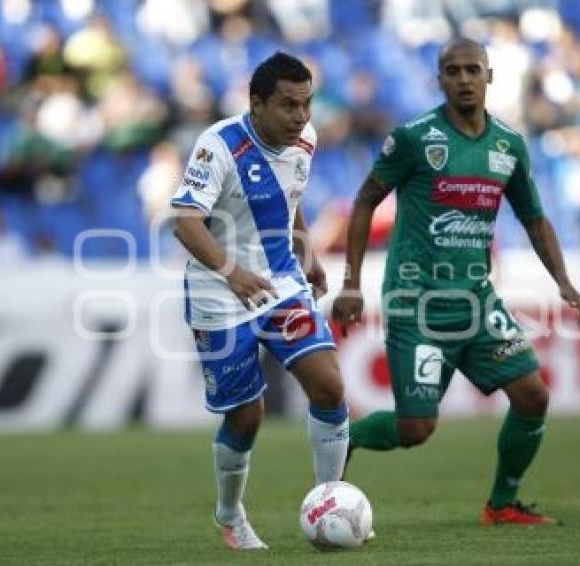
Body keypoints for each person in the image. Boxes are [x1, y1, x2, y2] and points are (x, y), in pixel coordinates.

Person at [332, 38, 580, 525]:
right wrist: (350, 283)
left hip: (475, 300)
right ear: (440, 80)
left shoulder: (508, 145)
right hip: (417, 303)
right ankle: (345, 437)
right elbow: (365, 201)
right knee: (416, 429)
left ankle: (502, 504)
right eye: (453, 71)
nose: (464, 79)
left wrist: (563, 281)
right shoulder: (413, 139)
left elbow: (535, 219)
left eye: (473, 69)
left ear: (489, 77)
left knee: (533, 394)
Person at [171, 52, 349, 550]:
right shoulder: (219, 145)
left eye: (307, 104)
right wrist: (232, 272)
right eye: (288, 105)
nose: (301, 116)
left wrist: (307, 250)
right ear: (257, 103)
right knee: (247, 415)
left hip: (280, 285)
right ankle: (230, 515)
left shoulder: (304, 141)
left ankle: (328, 501)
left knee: (330, 388)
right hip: (218, 291)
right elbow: (185, 222)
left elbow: (290, 197)